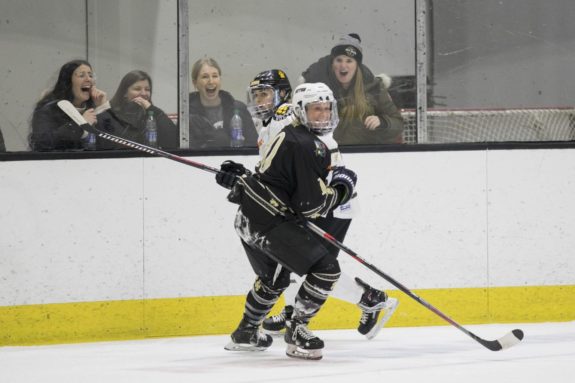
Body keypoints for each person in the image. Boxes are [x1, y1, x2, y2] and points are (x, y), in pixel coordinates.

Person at [247, 70, 398, 340]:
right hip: (313, 199)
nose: (260, 100)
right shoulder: (271, 121)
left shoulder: (285, 116)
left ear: (282, 95)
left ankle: (370, 299)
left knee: (312, 263)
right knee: (289, 259)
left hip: (329, 202)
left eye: (265, 93)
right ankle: (293, 309)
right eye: (256, 94)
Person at [216, 83, 357, 360]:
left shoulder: (289, 133)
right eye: (316, 109)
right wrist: (343, 189)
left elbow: (272, 177)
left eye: (327, 108)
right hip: (269, 224)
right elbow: (311, 206)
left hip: (249, 219)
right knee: (326, 270)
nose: (324, 114)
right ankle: (297, 331)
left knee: (275, 277)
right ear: (301, 111)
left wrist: (242, 178)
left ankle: (246, 332)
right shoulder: (308, 145)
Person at [300, 33, 404, 145]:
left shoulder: (374, 88)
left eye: (349, 61)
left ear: (357, 65)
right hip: (326, 154)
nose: (343, 66)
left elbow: (398, 123)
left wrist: (383, 123)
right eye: (339, 60)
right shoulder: (314, 90)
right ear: (332, 64)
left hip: (366, 155)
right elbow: (297, 123)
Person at [29, 59, 110, 151]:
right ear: (68, 82)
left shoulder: (93, 109)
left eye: (90, 75)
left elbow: (113, 144)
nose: (88, 79)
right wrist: (81, 125)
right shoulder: (48, 110)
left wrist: (103, 109)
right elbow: (42, 143)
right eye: (81, 75)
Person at [188, 58, 257, 149]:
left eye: (215, 76)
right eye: (205, 77)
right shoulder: (187, 114)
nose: (211, 81)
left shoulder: (239, 109)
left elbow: (253, 145)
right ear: (195, 82)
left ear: (220, 79)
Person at [103, 70, 179, 149]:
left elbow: (173, 141)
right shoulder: (112, 114)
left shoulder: (152, 114)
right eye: (137, 89)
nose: (143, 93)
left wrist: (152, 109)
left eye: (147, 89)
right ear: (124, 93)